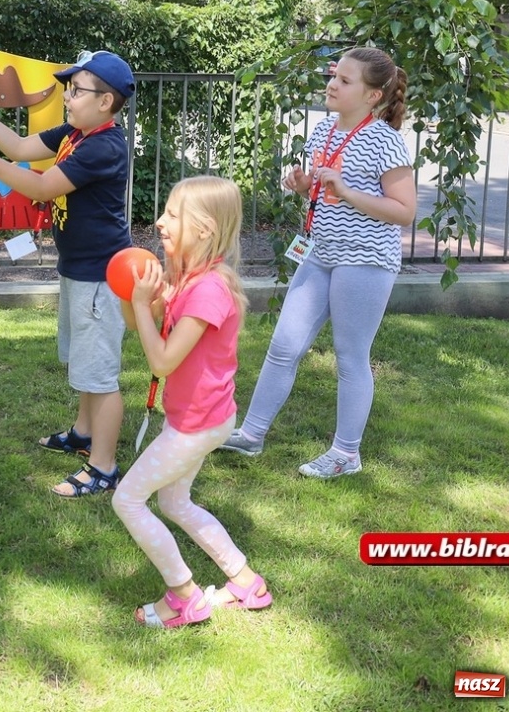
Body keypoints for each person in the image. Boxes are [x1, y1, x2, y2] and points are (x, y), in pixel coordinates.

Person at [220, 46, 416, 477]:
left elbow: (404, 211)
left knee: (350, 356)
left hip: (364, 261)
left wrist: (347, 191)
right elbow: (321, 192)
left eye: (345, 81)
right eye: (334, 76)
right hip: (321, 254)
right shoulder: (324, 130)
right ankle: (251, 435)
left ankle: (346, 454)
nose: (332, 85)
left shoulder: (386, 141)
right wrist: (304, 184)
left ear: (372, 95)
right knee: (284, 346)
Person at [0, 50, 134, 497]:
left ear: (106, 101)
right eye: (69, 87)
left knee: (100, 375)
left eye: (77, 90)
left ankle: (103, 468)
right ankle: (83, 435)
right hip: (79, 270)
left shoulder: (104, 145)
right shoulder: (76, 133)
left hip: (100, 277)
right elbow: (21, 148)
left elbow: (42, 185)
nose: (68, 97)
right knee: (84, 363)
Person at [115, 175, 273, 627]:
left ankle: (183, 597)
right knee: (174, 503)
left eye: (172, 215)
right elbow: (138, 323)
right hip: (198, 418)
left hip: (196, 425)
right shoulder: (189, 277)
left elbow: (162, 361)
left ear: (203, 229)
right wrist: (135, 296)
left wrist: (145, 308)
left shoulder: (209, 290)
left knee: (127, 500)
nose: (160, 221)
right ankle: (246, 582)